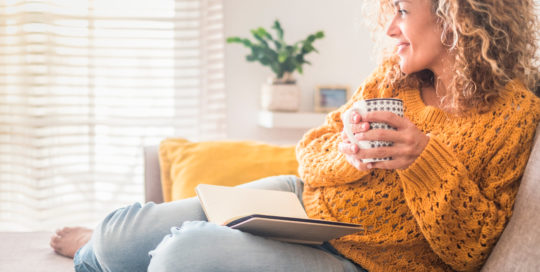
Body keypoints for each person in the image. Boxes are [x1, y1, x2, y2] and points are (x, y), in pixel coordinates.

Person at [50, 0, 540, 271]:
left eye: (403, 10)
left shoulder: (514, 115)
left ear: (456, 16)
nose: (390, 27)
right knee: (117, 236)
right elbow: (309, 155)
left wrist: (423, 160)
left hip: (365, 261)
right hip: (300, 204)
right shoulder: (394, 79)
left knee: (181, 256)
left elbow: (472, 250)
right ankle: (103, 249)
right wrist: (350, 154)